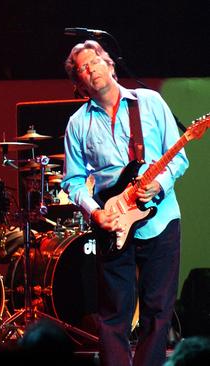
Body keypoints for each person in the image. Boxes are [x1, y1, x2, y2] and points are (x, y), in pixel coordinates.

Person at [61, 40, 189, 366]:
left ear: (111, 65)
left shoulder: (151, 102)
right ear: (79, 85)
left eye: (95, 62)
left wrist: (158, 182)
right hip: (113, 222)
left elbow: (179, 158)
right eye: (82, 70)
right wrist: (96, 212)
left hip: (160, 218)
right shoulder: (78, 123)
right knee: (113, 311)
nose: (91, 70)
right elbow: (73, 181)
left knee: (158, 308)